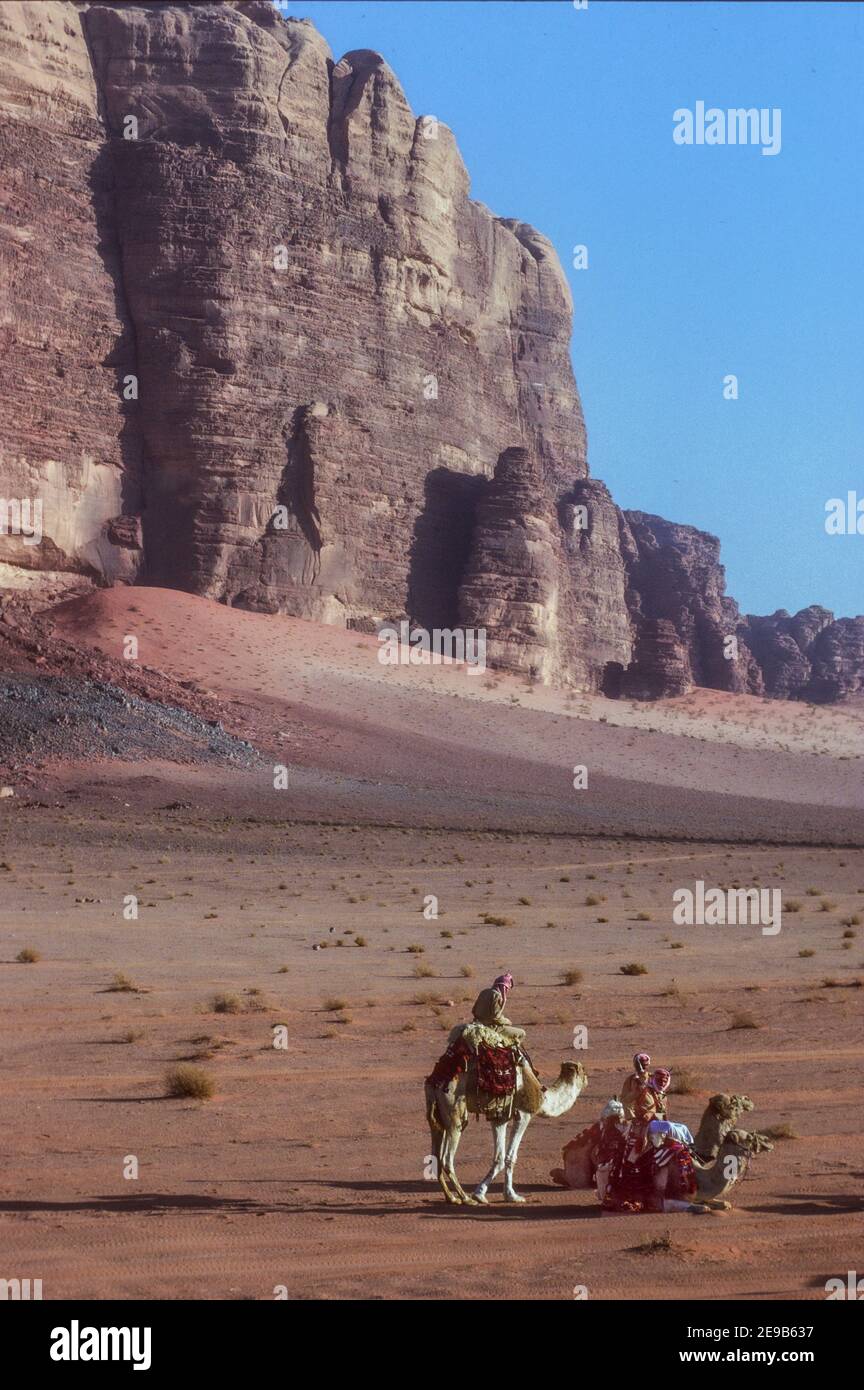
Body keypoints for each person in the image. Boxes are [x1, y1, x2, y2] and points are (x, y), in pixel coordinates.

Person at [620, 1051, 651, 1119]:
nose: (642, 1067)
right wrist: (635, 1092)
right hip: (634, 1115)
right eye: (640, 1064)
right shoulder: (630, 1080)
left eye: (644, 1065)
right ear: (635, 1065)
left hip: (652, 1113)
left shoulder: (653, 1078)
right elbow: (624, 1100)